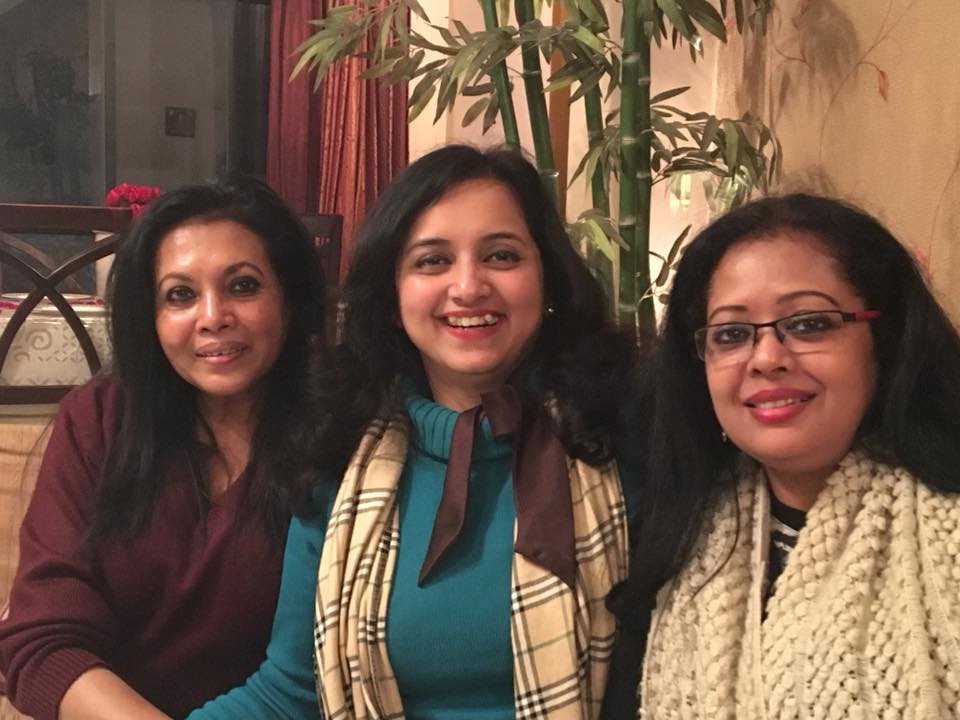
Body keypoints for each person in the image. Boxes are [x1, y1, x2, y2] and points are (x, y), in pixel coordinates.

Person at [190, 144, 642, 719]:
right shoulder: (338, 458)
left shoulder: (622, 441)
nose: (468, 287)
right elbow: (290, 690)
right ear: (392, 295)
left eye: (501, 256)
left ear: (549, 279)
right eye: (432, 261)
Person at [620, 193, 960, 718]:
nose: (766, 358)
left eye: (808, 324)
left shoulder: (948, 535)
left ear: (885, 339)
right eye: (731, 334)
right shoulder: (678, 530)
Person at [0, 178, 326, 719]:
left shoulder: (340, 431)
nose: (213, 316)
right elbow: (42, 644)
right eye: (180, 295)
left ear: (289, 300)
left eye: (243, 286)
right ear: (148, 317)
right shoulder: (99, 421)